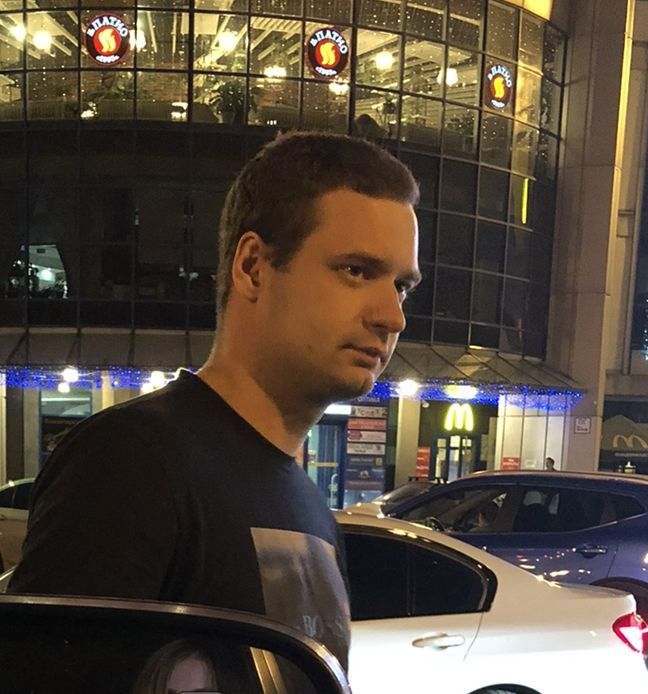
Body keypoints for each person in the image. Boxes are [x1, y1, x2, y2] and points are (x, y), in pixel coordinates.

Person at [8, 132, 421, 673]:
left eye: (402, 286)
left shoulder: (308, 504)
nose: (392, 316)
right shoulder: (131, 460)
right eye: (357, 271)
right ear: (252, 267)